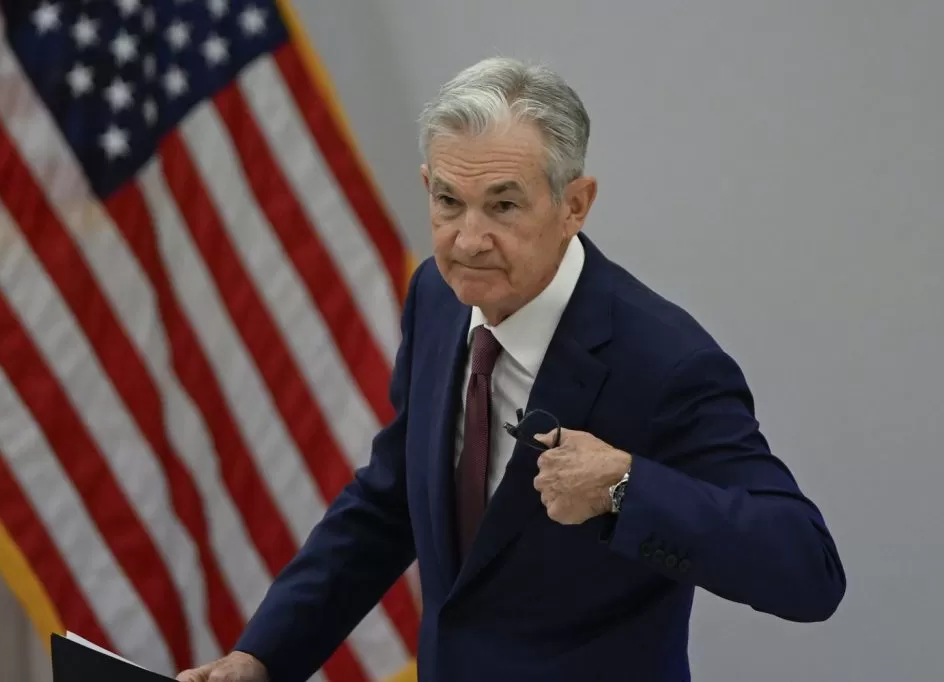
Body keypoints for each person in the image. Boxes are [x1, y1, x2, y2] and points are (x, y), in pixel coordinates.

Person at [177, 56, 845, 682]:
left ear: (574, 205)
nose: (468, 241)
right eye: (449, 202)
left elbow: (807, 568)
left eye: (503, 205)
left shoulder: (666, 363)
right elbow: (392, 500)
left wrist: (625, 487)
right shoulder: (437, 297)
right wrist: (262, 657)